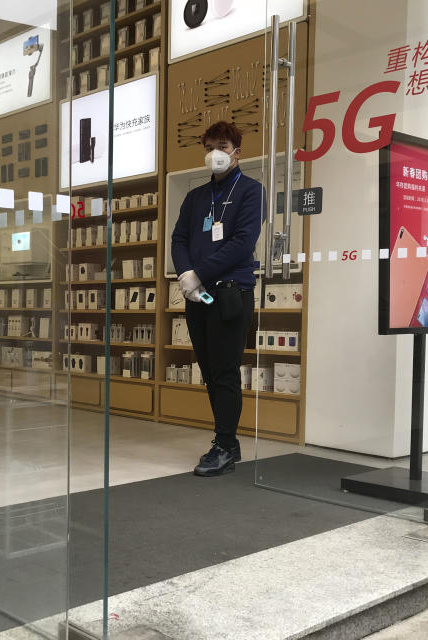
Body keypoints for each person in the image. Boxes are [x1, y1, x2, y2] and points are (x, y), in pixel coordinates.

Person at [171, 122, 264, 477]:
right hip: (198, 295)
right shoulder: (195, 197)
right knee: (209, 372)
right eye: (209, 146)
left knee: (225, 371)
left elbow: (242, 241)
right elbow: (179, 239)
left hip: (230, 293)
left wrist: (200, 273)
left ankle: (224, 445)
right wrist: (185, 276)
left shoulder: (251, 191)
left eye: (222, 146)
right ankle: (229, 440)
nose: (215, 153)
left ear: (237, 151)